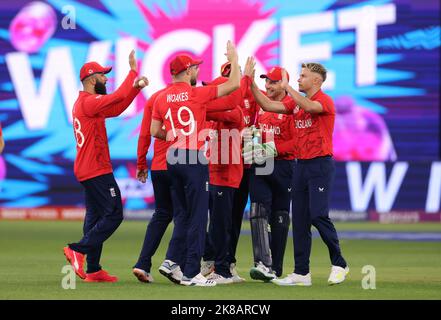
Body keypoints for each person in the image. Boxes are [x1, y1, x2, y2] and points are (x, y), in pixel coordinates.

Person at [150, 41, 241, 286]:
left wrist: (168, 135)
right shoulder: (196, 93)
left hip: (172, 158)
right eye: (196, 68)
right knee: (199, 217)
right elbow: (234, 85)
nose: (198, 72)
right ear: (189, 71)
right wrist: (234, 59)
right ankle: (192, 273)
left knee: (185, 216)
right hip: (193, 157)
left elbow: (154, 130)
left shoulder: (161, 98)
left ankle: (177, 266)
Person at [250, 61, 349, 286]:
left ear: (316, 80)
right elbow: (266, 104)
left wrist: (288, 89)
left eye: (303, 76)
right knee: (301, 220)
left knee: (317, 215)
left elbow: (310, 107)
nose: (298, 79)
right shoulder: (296, 103)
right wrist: (250, 83)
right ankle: (302, 273)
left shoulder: (324, 100)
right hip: (301, 166)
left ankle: (340, 262)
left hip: (320, 165)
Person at [63, 50, 148, 282]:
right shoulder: (89, 102)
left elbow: (118, 107)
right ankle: (77, 250)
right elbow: (116, 97)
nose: (106, 79)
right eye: (103, 76)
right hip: (96, 168)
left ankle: (93, 269)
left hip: (86, 168)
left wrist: (136, 87)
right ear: (92, 80)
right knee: (114, 214)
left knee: (95, 217)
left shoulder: (87, 103)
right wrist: (132, 72)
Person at [246, 67, 296, 282]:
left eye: (273, 82)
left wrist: (273, 148)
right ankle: (262, 262)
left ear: (284, 84)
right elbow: (257, 131)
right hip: (261, 163)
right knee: (257, 211)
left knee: (280, 215)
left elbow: (296, 140)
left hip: (284, 166)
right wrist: (251, 141)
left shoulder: (294, 105)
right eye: (266, 82)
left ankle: (275, 267)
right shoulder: (261, 104)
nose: (268, 86)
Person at [132, 84, 174, 283]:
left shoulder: (156, 98)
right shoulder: (192, 97)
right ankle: (175, 263)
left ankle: (142, 263)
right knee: (189, 215)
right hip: (182, 166)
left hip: (158, 166)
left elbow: (145, 133)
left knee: (162, 213)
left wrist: (141, 163)